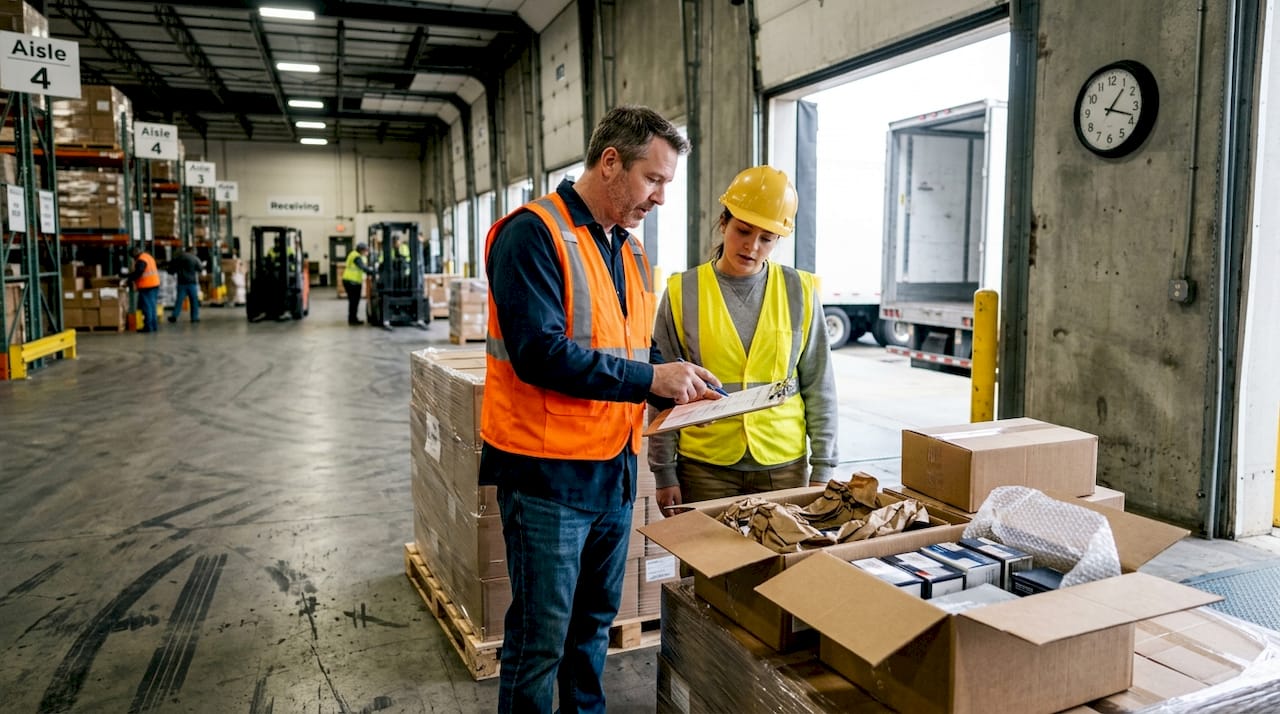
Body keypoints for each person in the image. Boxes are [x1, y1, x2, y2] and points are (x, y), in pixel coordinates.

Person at [481, 105, 719, 714]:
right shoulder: (532, 233)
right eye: (654, 179)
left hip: (613, 470)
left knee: (591, 633)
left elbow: (633, 343)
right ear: (610, 162)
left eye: (667, 183)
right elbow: (539, 353)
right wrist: (649, 378)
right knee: (540, 642)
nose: (661, 197)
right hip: (547, 478)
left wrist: (679, 378)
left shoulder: (629, 250)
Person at [648, 166, 838, 513]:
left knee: (784, 566)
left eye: (767, 238)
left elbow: (819, 385)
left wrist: (823, 468)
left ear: (778, 240)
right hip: (705, 467)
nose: (752, 246)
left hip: (783, 465)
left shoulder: (800, 291)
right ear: (724, 223)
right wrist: (664, 472)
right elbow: (662, 391)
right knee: (709, 566)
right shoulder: (682, 292)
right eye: (743, 231)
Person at [125, 245, 160, 332]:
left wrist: (129, 279)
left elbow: (139, 272)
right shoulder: (148, 256)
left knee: (147, 307)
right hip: (154, 284)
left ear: (134, 253)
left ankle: (148, 327)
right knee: (152, 306)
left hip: (146, 286)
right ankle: (153, 326)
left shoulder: (141, 260)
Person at [341, 242, 375, 325]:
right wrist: (373, 272)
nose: (366, 252)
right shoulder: (356, 256)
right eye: (365, 250)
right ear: (361, 250)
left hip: (352, 281)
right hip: (351, 282)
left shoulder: (354, 254)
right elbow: (362, 267)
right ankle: (352, 320)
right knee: (354, 301)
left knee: (354, 301)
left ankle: (353, 318)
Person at [167, 249, 202, 323]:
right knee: (194, 301)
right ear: (191, 251)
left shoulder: (179, 258)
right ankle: (194, 317)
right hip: (191, 283)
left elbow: (171, 269)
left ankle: (174, 315)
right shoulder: (194, 258)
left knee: (179, 300)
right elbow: (200, 268)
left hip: (181, 282)